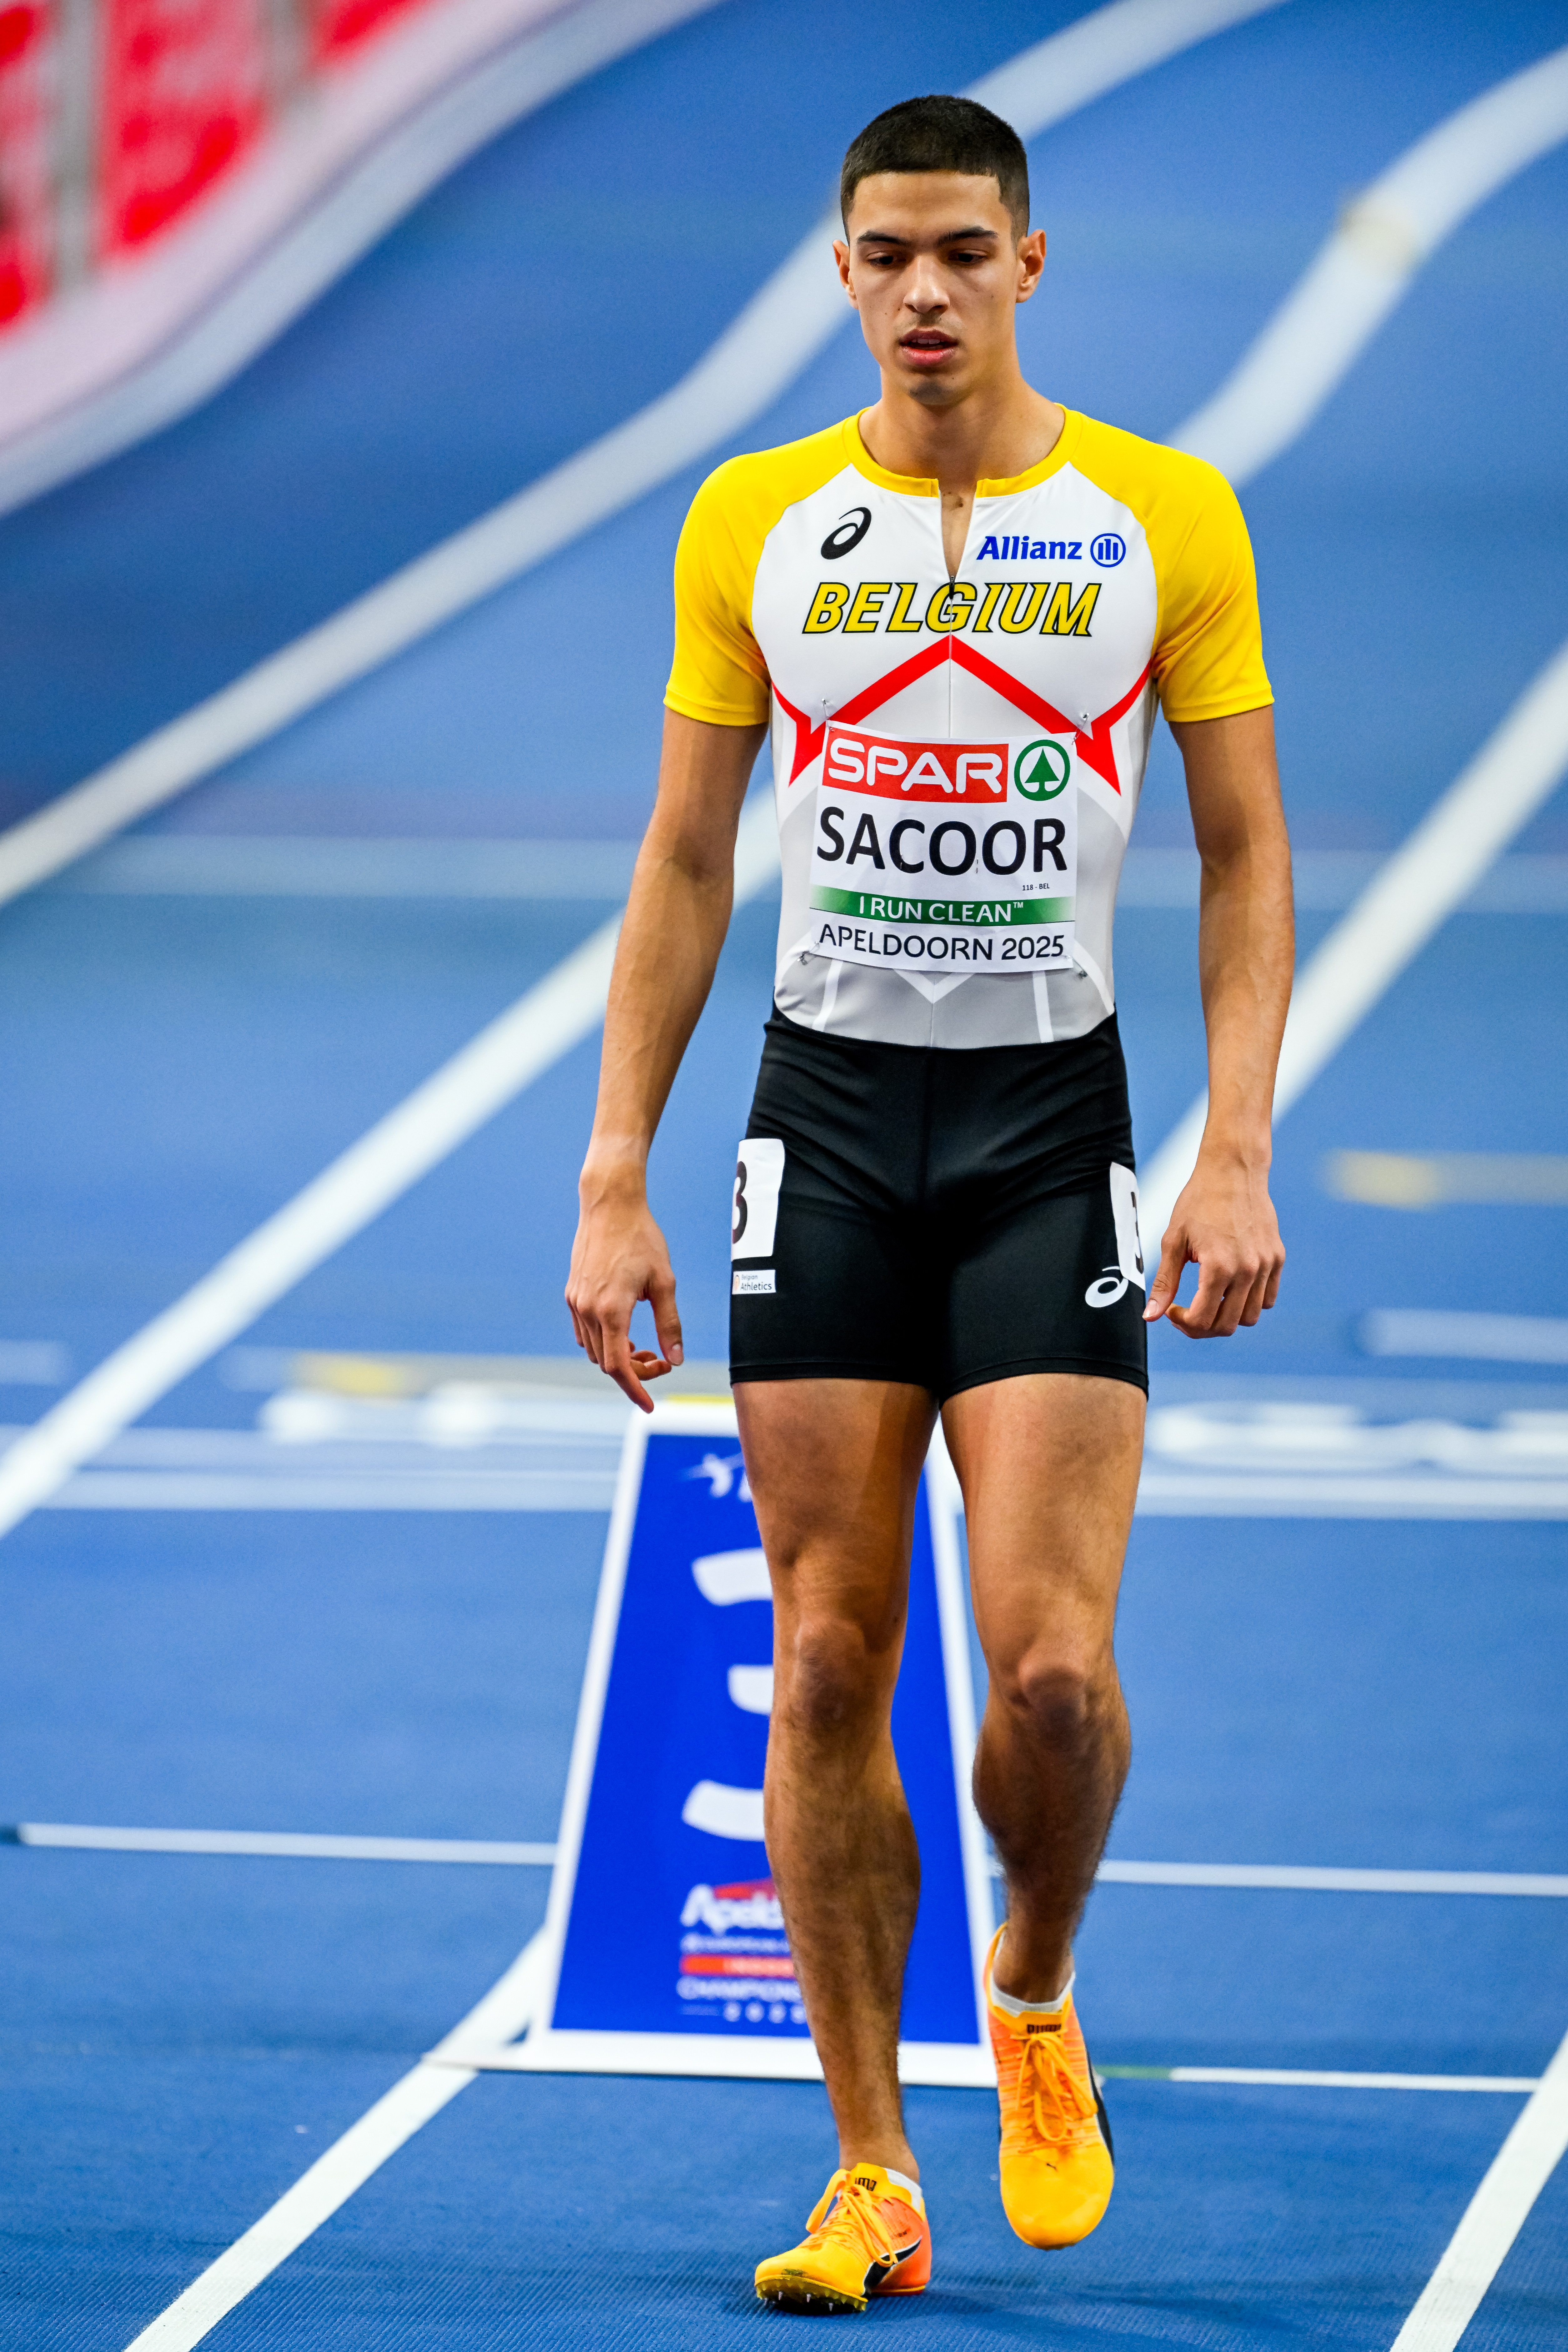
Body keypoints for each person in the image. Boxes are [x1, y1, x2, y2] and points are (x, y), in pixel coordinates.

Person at [567, 92, 1291, 2314]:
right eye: (884, 254)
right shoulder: (757, 521)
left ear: (1032, 265)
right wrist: (617, 1168)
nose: (922, 293)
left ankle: (1037, 1985)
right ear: (840, 271)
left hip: (1042, 1125)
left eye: (963, 253)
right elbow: (689, 862)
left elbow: (1245, 847)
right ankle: (872, 2165)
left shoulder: (1158, 517)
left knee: (1050, 1686)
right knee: (822, 1656)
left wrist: (1234, 1136)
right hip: (825, 1124)